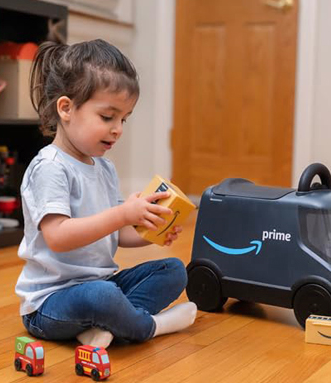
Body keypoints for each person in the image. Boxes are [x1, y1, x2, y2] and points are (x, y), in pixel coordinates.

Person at [15, 39, 197, 348]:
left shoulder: (104, 168)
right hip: (50, 302)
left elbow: (115, 235)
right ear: (66, 108)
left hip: (101, 285)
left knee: (174, 270)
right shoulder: (49, 168)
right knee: (102, 296)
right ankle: (148, 327)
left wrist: (147, 230)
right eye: (107, 117)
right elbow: (58, 237)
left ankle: (106, 326)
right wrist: (122, 213)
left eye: (124, 119)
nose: (118, 129)